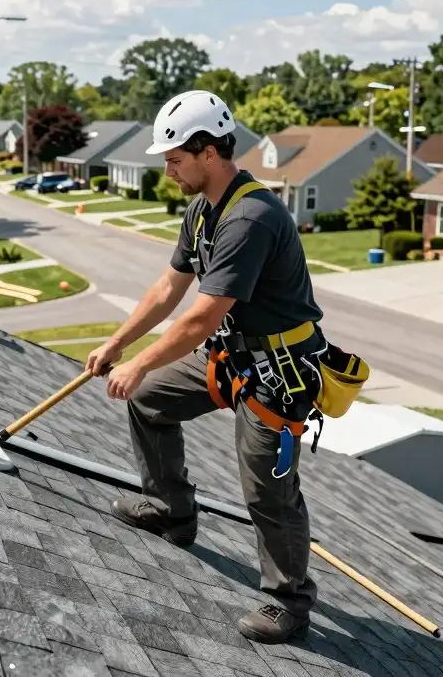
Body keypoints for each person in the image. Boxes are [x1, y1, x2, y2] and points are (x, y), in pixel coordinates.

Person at [85, 88, 330, 644]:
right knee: (151, 400)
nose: (167, 171)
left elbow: (200, 317)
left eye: (173, 159)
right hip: (231, 359)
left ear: (208, 152)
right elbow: (167, 289)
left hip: (278, 373)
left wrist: (141, 362)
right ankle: (172, 510)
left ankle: (288, 602)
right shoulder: (202, 211)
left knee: (267, 488)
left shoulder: (251, 218)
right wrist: (119, 343)